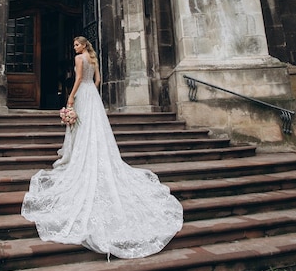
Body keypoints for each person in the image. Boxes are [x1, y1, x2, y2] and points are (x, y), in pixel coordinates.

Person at [21, 36, 183, 259]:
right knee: (94, 128)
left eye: (76, 45)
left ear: (83, 45)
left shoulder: (79, 59)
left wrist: (70, 97)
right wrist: (90, 91)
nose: (74, 48)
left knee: (83, 127)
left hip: (82, 94)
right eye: (74, 45)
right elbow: (97, 80)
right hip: (93, 96)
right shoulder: (93, 59)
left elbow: (78, 79)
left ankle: (81, 156)